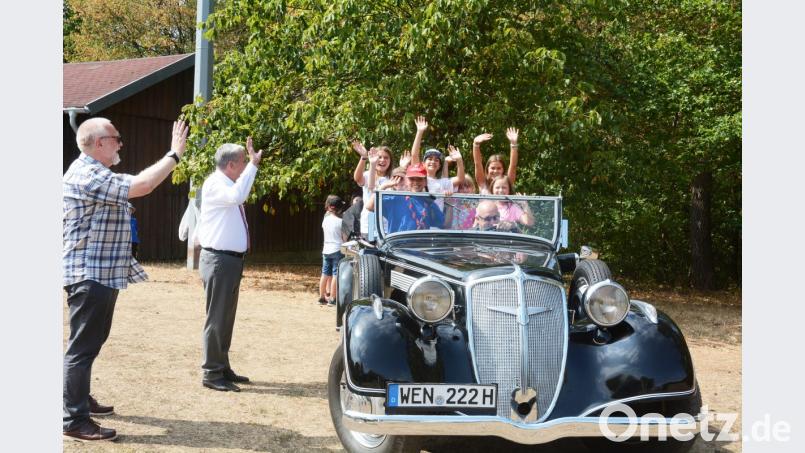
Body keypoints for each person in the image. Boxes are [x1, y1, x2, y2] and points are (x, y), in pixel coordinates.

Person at [63, 117, 188, 442]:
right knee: (83, 347)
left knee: (90, 343)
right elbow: (143, 185)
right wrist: (174, 154)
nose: (121, 143)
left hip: (99, 273)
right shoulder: (89, 174)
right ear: (99, 142)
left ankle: (78, 399)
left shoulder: (96, 173)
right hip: (90, 274)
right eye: (116, 138)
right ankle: (74, 418)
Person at [195, 138, 263, 392]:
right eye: (243, 162)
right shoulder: (216, 184)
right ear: (232, 164)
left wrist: (251, 165)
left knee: (226, 317)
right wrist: (254, 165)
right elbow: (238, 196)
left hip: (228, 261)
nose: (245, 166)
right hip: (219, 260)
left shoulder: (225, 183)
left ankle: (222, 366)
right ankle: (212, 372)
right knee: (217, 318)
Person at [370, 163, 445, 233]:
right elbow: (370, 206)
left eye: (419, 179)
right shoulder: (395, 198)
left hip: (422, 243)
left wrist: (448, 196)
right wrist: (384, 186)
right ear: (406, 180)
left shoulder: (428, 201)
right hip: (398, 244)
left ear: (425, 181)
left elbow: (441, 223)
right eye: (412, 179)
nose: (416, 182)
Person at [408, 116, 465, 199]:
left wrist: (459, 160)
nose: (433, 162)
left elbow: (460, 179)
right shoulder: (419, 179)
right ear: (423, 163)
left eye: (436, 160)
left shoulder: (443, 182)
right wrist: (419, 132)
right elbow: (414, 155)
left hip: (436, 212)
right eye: (430, 159)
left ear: (439, 166)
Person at [352, 140, 393, 237]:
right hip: (369, 224)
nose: (382, 160)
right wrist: (363, 157)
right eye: (379, 157)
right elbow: (357, 178)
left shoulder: (392, 177)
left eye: (386, 158)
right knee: (371, 251)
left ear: (390, 161)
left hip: (388, 226)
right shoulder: (368, 174)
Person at [472, 127, 520, 193]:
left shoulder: (507, 182)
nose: (495, 171)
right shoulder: (483, 183)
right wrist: (476, 144)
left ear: (503, 170)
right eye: (492, 168)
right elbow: (477, 164)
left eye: (499, 168)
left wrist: (513, 144)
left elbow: (513, 165)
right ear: (487, 169)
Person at [320, 195, 345, 306]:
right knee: (335, 274)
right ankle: (332, 299)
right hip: (337, 250)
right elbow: (344, 238)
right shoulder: (340, 222)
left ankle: (321, 297)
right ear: (339, 208)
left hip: (326, 249)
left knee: (324, 274)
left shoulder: (325, 220)